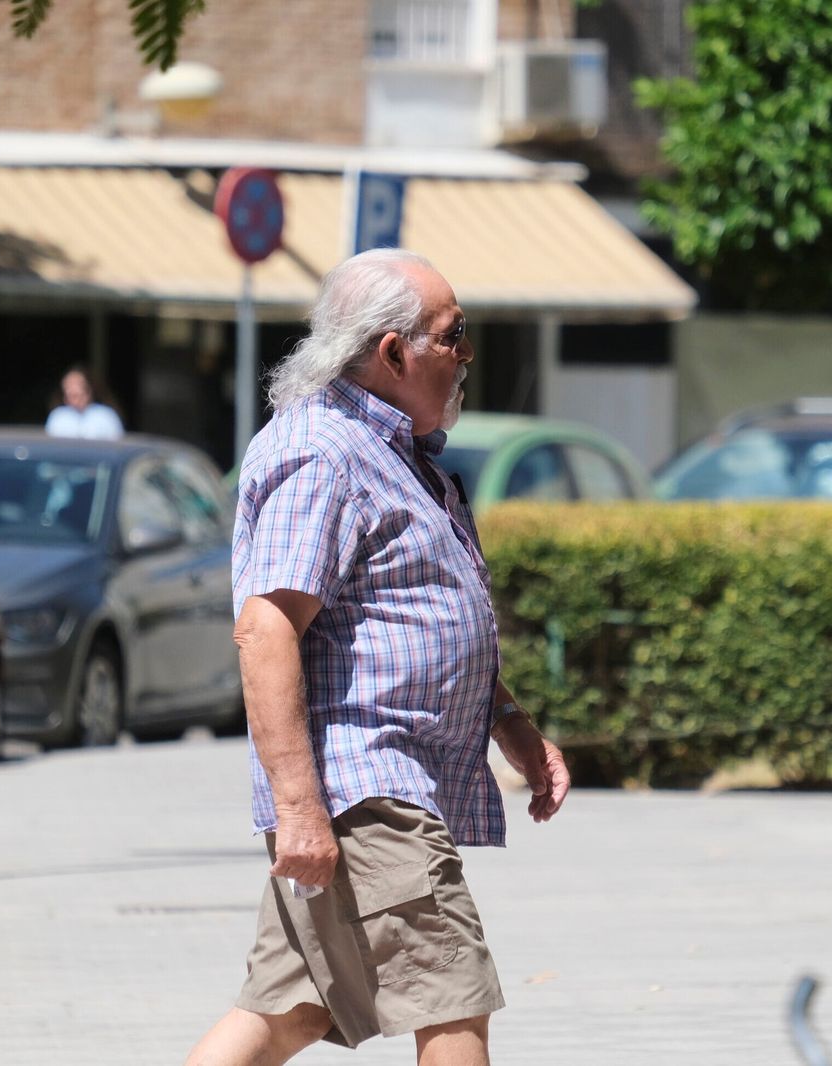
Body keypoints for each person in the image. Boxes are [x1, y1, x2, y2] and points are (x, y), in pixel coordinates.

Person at [186, 249, 570, 1066]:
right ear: (394, 352)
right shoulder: (324, 453)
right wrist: (299, 810)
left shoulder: (392, 453)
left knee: (286, 1012)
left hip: (373, 789)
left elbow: (420, 618)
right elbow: (266, 629)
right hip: (366, 791)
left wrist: (514, 727)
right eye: (453, 334)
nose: (466, 355)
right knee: (455, 1002)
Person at [45, 365, 124, 439]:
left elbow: (118, 448)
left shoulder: (106, 416)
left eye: (77, 393)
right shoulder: (57, 417)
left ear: (89, 391)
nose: (73, 390)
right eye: (69, 393)